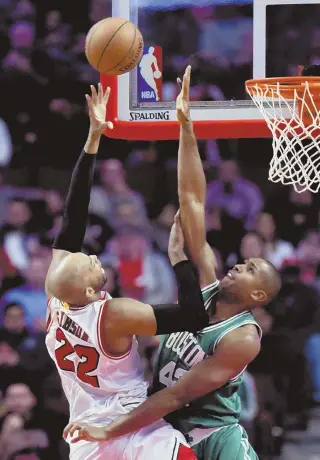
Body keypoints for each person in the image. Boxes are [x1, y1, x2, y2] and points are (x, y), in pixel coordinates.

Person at [65, 68, 282, 460]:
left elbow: (179, 394)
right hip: (163, 426)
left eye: (249, 269)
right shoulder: (208, 281)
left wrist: (106, 430)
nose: (238, 266)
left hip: (214, 432)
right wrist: (186, 128)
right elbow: (193, 202)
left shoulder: (241, 337)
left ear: (258, 294)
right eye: (244, 262)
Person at [46, 83, 209, 460]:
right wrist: (179, 259)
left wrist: (93, 140)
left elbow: (72, 219)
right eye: (90, 264)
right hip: (133, 424)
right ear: (88, 292)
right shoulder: (115, 314)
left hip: (87, 436)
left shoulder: (56, 298)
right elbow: (194, 317)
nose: (94, 258)